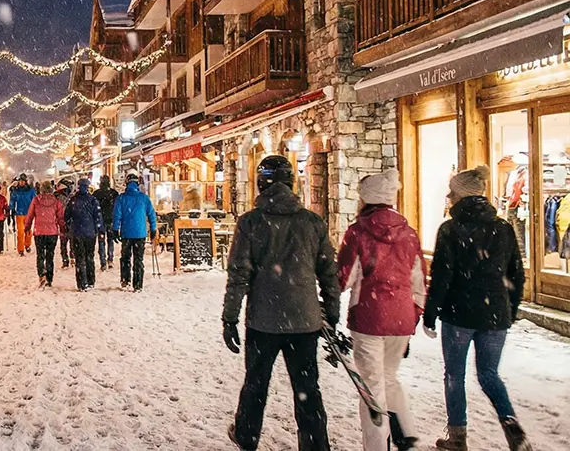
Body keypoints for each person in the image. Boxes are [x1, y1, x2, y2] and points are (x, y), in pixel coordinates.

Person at [222, 155, 339, 451]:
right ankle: (315, 444)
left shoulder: (251, 223)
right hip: (304, 319)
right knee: (307, 388)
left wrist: (230, 317)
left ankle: (247, 435)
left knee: (256, 384)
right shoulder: (312, 222)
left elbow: (239, 273)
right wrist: (331, 312)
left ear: (262, 185)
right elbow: (328, 271)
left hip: (264, 319)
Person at [423, 166, 530, 451]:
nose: (449, 197)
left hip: (460, 313)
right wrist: (511, 307)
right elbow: (517, 274)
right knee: (489, 374)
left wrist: (430, 314)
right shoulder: (503, 228)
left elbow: (442, 276)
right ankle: (511, 425)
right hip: (495, 312)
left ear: (460, 196)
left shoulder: (449, 229)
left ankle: (457, 436)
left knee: (455, 374)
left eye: (452, 192)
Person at [337, 169, 425, 451]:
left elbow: (344, 277)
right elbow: (419, 280)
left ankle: (376, 446)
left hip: (369, 316)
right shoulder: (409, 234)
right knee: (388, 376)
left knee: (372, 386)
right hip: (401, 316)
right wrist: (415, 314)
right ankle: (406, 433)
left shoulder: (358, 233)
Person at [113, 173, 156, 292]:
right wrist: (153, 229)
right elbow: (152, 214)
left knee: (125, 258)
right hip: (140, 233)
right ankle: (138, 284)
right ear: (137, 184)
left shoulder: (121, 198)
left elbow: (117, 215)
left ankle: (125, 280)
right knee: (138, 259)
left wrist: (115, 229)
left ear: (126, 183)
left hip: (126, 233)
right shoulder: (144, 198)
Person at [64, 179, 103, 292]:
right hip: (90, 233)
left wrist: (69, 225)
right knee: (89, 257)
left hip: (77, 233)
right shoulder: (92, 200)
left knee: (80, 258)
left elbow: (66, 216)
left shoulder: (73, 200)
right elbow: (98, 216)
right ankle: (91, 281)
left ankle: (82, 283)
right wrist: (100, 230)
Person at [26, 181, 65, 287]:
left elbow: (30, 215)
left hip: (39, 232)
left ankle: (41, 274)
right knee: (50, 256)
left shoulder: (36, 200)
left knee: (40, 255)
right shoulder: (56, 202)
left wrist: (27, 227)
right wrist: (62, 228)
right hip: (52, 232)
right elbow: (60, 217)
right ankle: (49, 278)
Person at [93, 176, 119, 270]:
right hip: (111, 220)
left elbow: (94, 208)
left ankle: (103, 262)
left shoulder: (96, 194)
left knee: (101, 241)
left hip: (101, 221)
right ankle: (110, 259)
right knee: (110, 240)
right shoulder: (114, 193)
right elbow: (117, 208)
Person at [9, 174, 36, 256]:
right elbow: (12, 200)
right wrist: (10, 207)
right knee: (20, 232)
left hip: (28, 214)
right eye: (20, 181)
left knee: (28, 231)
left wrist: (35, 209)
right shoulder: (16, 190)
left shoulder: (30, 190)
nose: (21, 182)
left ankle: (27, 245)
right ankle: (20, 249)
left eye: (23, 181)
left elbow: (34, 200)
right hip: (19, 213)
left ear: (25, 181)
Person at [54, 178, 74, 268]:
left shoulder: (56, 196)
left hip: (62, 221)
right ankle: (71, 257)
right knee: (71, 240)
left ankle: (65, 259)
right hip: (70, 220)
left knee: (64, 241)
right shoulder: (71, 197)